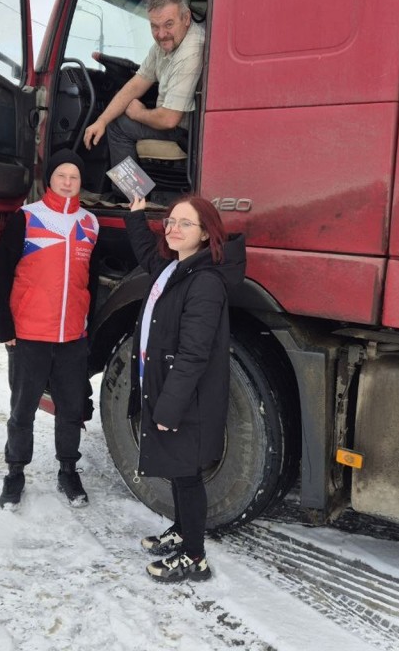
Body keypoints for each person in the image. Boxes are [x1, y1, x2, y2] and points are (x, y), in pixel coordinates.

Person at [123, 194, 246, 583]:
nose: (174, 229)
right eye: (171, 221)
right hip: (165, 389)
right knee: (177, 471)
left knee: (188, 475)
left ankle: (195, 557)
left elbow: (194, 354)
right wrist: (137, 217)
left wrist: (169, 406)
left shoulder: (205, 283)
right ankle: (182, 529)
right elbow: (147, 253)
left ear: (206, 232)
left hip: (186, 400)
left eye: (185, 224)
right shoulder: (174, 268)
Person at [0, 148, 100, 510]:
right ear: (49, 179)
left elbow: (91, 282)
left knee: (70, 408)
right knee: (22, 410)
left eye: (74, 177)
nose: (68, 183)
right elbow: (0, 275)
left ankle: (68, 470)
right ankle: (15, 472)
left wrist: (87, 324)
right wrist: (4, 328)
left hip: (71, 337)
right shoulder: (28, 218)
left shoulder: (90, 223)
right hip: (29, 334)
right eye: (61, 176)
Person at [82, 0, 205, 191]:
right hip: (178, 121)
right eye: (154, 26)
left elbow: (169, 119)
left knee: (118, 126)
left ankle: (131, 196)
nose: (161, 34)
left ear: (186, 18)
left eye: (168, 24)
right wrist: (100, 121)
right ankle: (135, 194)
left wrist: (138, 113)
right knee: (110, 120)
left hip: (189, 130)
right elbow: (136, 85)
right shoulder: (164, 45)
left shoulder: (190, 51)